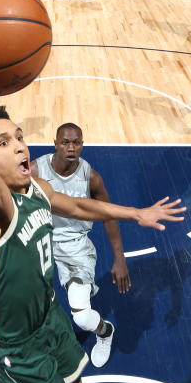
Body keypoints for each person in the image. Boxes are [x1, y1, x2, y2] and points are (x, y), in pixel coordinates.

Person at [0, 0, 185, 383]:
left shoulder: (36, 187)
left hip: (48, 319)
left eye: (19, 136)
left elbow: (78, 205)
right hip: (16, 343)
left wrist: (135, 213)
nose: (21, 145)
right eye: (3, 143)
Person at [31, 123, 129, 368]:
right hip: (39, 242)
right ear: (55, 143)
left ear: (83, 145)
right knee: (30, 307)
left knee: (83, 318)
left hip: (75, 247)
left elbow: (108, 215)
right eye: (65, 142)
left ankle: (105, 332)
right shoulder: (35, 170)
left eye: (76, 143)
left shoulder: (91, 178)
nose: (71, 148)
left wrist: (119, 258)